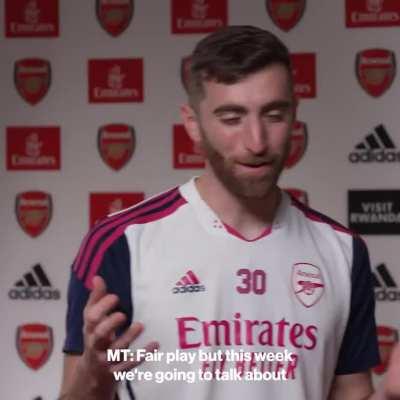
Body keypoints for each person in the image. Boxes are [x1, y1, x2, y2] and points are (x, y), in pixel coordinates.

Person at [59, 25, 400, 400]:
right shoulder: (121, 243)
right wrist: (92, 373)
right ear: (193, 123)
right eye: (232, 118)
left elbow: (351, 393)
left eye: (273, 114)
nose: (256, 142)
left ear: (294, 114)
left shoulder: (343, 251)